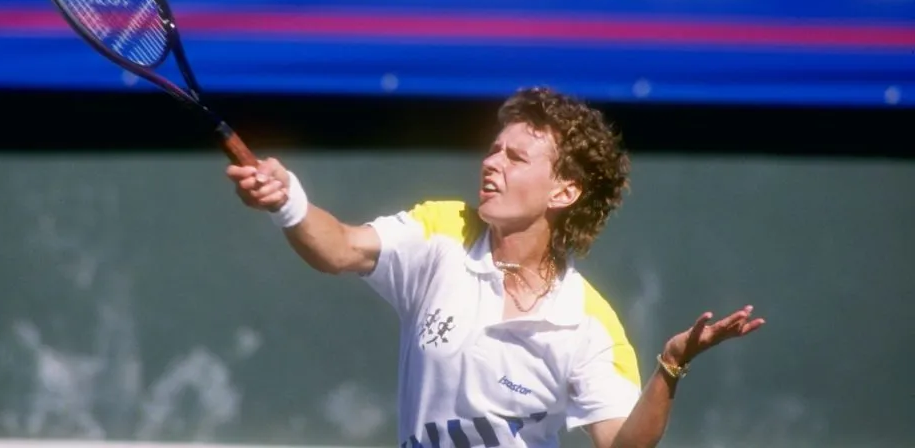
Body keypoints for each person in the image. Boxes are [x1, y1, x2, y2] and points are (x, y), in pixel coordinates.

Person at [226, 86, 764, 448]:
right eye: (493, 150)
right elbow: (339, 247)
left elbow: (623, 442)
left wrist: (669, 368)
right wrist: (287, 201)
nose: (491, 163)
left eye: (515, 158)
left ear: (564, 190)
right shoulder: (442, 232)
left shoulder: (587, 325)